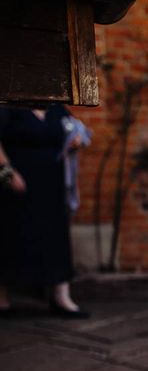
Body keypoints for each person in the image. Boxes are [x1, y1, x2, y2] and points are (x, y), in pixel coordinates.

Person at [0, 104, 88, 317]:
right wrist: (6, 173)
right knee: (10, 234)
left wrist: (76, 141)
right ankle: (2, 299)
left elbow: (72, 131)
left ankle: (61, 297)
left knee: (55, 235)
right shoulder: (9, 105)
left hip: (52, 185)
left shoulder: (56, 107)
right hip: (15, 183)